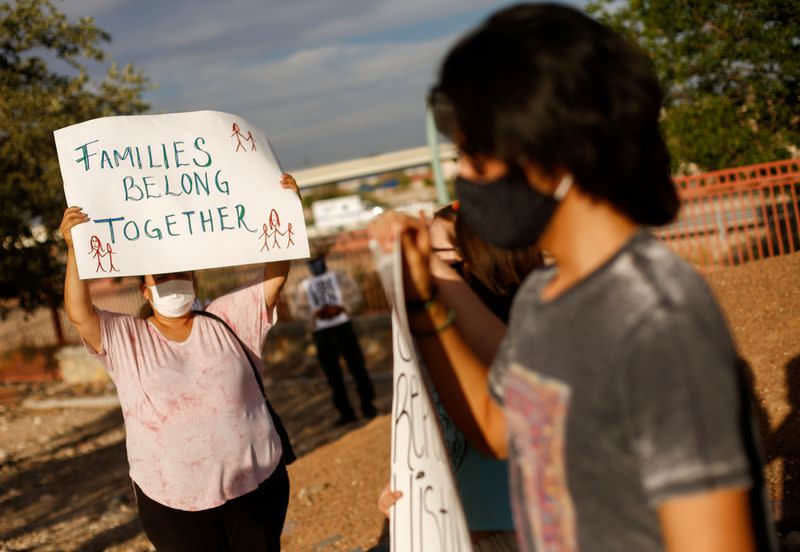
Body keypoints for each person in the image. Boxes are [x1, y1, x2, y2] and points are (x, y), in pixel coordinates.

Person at [369, 5, 776, 551]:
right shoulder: (547, 295)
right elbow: (497, 426)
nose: (463, 180)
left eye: (473, 158)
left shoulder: (655, 315)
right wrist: (423, 294)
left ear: (545, 154)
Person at [61, 174, 302, 551]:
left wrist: (286, 211)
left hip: (256, 486)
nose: (174, 282)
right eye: (162, 276)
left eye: (181, 273)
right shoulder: (127, 338)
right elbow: (78, 312)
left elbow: (274, 276)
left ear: (194, 279)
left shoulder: (228, 318)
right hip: (172, 502)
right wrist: (75, 251)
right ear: (145, 288)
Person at [379, 203, 543, 550]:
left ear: (474, 261)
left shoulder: (531, 332)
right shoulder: (437, 338)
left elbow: (493, 428)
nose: (432, 265)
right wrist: (406, 485)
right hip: (455, 527)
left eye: (440, 253)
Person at [293, 253, 376, 425]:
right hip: (321, 333)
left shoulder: (340, 278)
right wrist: (315, 314)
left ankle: (369, 407)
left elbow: (356, 297)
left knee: (357, 367)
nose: (316, 265)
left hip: (343, 328)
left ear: (324, 261)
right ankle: (346, 413)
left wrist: (342, 307)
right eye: (312, 262)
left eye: (318, 261)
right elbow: (298, 311)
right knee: (333, 374)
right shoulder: (303, 286)